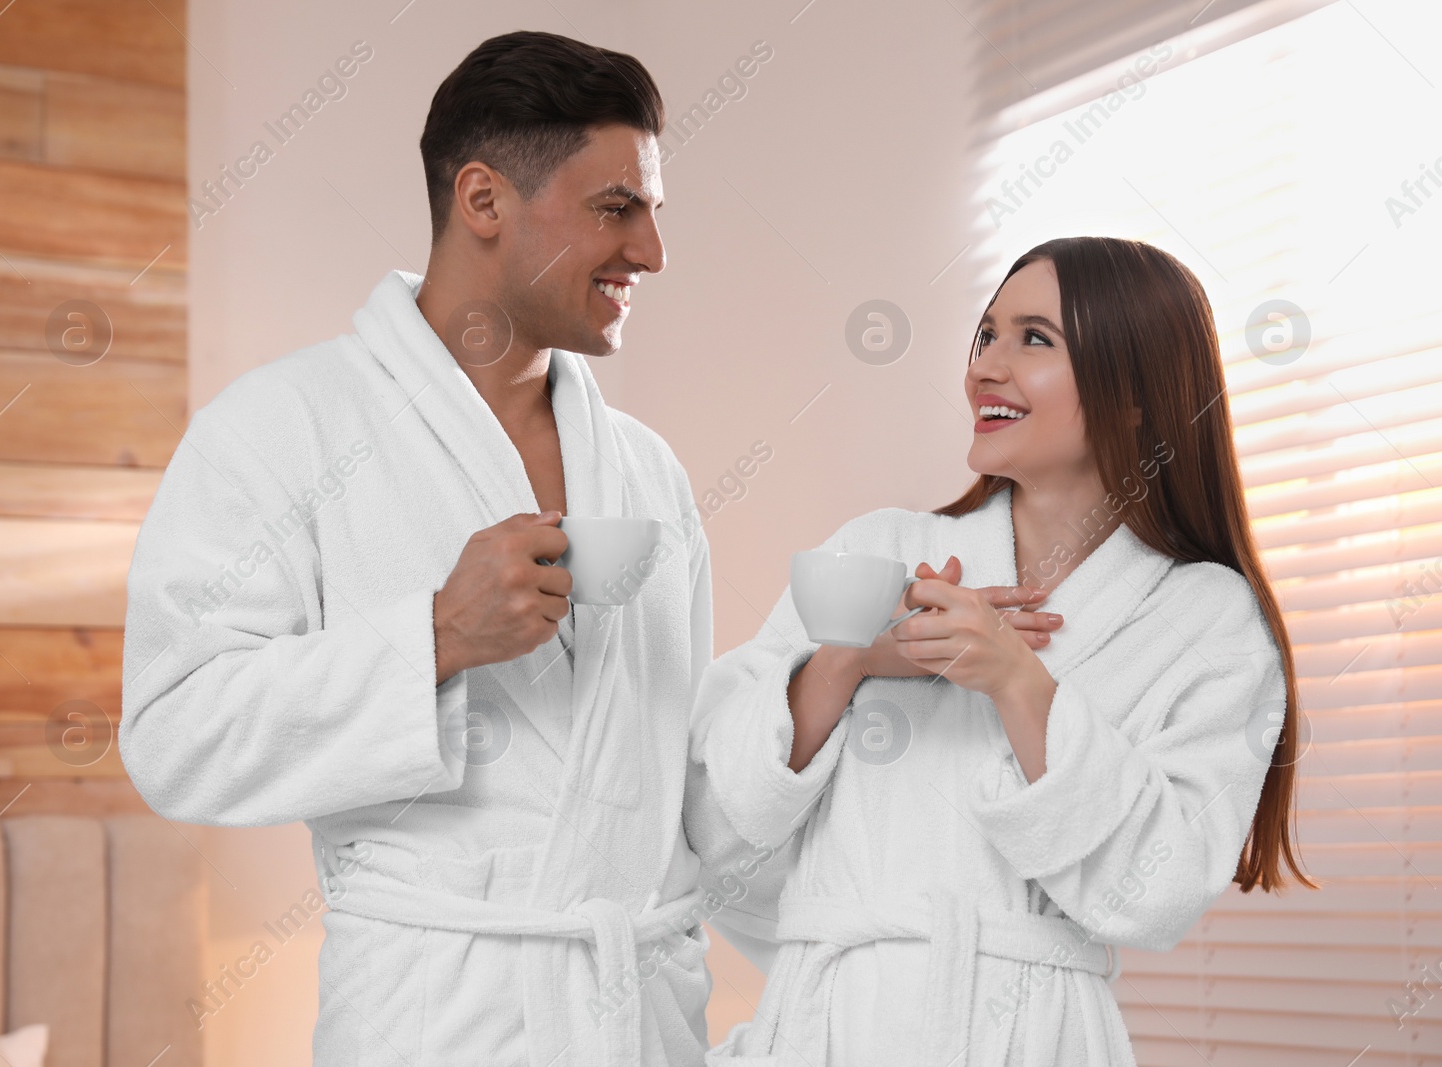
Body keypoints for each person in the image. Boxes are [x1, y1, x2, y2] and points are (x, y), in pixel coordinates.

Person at [121, 30, 721, 1066]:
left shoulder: (645, 471)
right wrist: (433, 636)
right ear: (482, 201)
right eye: (616, 210)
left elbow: (679, 778)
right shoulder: (279, 427)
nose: (651, 253)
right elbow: (176, 736)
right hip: (437, 1020)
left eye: (654, 213)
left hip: (644, 1018)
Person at [688, 237, 1317, 1066]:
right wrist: (849, 661)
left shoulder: (1205, 617)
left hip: (1035, 1037)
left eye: (1035, 339)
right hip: (828, 1031)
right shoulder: (878, 550)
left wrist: (1018, 682)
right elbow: (712, 824)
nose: (987, 366)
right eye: (986, 335)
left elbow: (1156, 892)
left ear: (1134, 394)